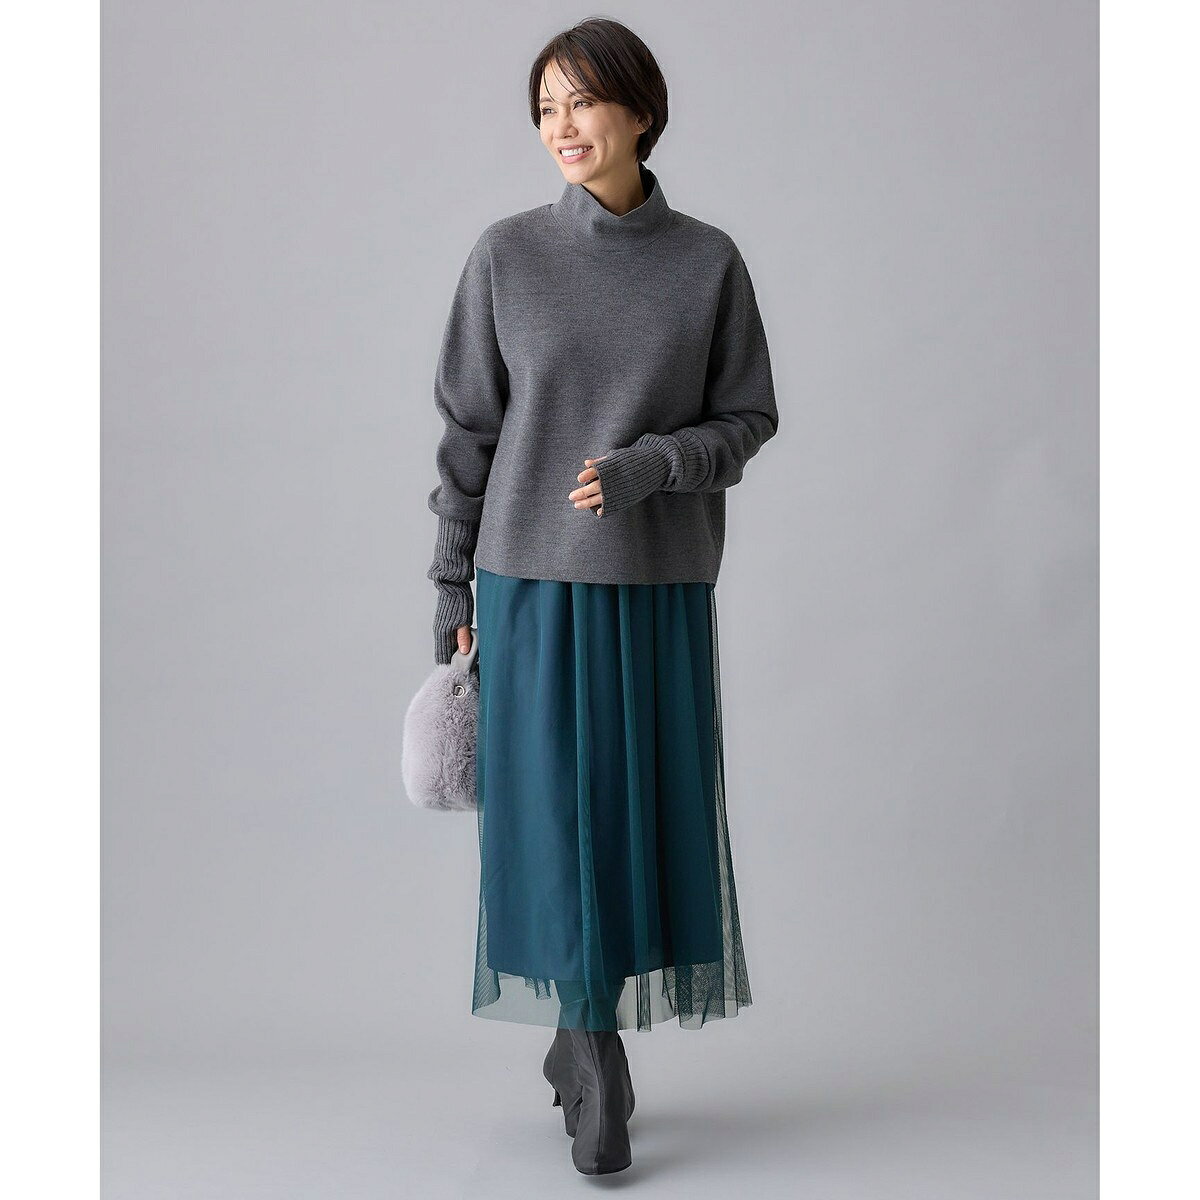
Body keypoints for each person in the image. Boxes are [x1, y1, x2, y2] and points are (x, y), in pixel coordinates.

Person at [425, 17, 778, 1176]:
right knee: (552, 822)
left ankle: (586, 1035)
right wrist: (450, 583)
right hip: (526, 582)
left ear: (639, 110)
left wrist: (652, 467)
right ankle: (594, 1051)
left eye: (579, 101)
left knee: (635, 820)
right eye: (545, 109)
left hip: (655, 583)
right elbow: (469, 433)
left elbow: (748, 418)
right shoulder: (507, 256)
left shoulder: (707, 263)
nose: (561, 127)